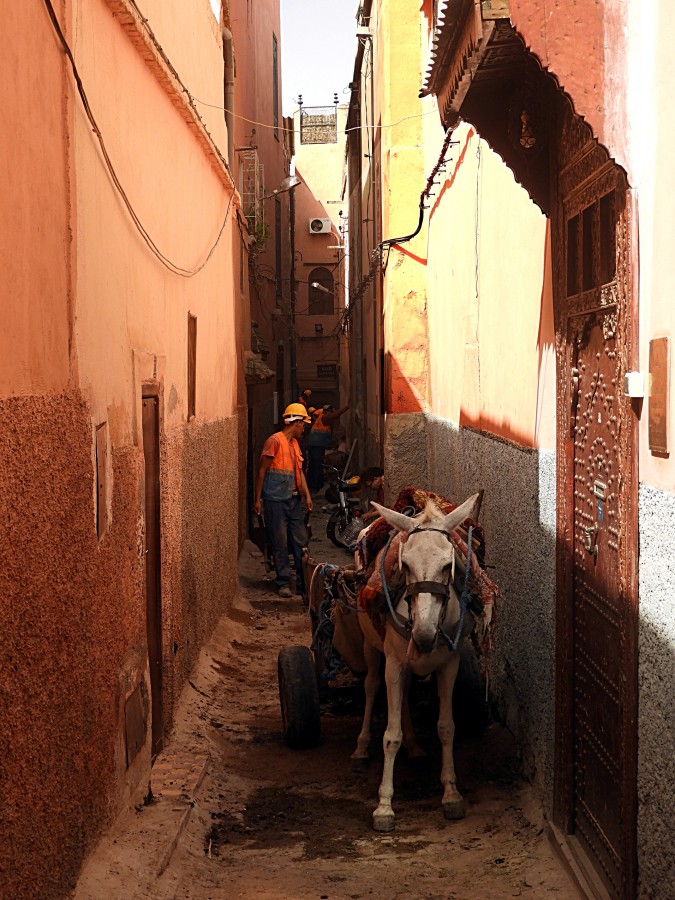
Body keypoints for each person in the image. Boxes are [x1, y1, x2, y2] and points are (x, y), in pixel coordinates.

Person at [253, 403, 313, 598]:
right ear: (295, 422)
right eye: (303, 423)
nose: (304, 427)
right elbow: (262, 471)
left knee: (300, 542)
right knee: (280, 542)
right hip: (275, 501)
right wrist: (258, 499)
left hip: (294, 501)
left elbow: (299, 473)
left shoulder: (295, 444)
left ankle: (303, 585)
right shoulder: (274, 441)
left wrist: (307, 495)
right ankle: (284, 581)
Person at [306, 402, 349, 493]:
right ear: (327, 412)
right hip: (317, 445)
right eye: (331, 412)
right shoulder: (324, 417)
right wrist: (347, 407)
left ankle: (311, 484)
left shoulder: (320, 418)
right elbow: (335, 415)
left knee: (313, 465)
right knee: (317, 465)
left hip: (314, 444)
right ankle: (315, 486)